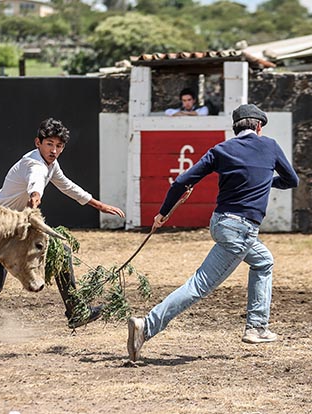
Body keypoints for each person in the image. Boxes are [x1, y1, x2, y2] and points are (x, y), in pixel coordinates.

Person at [127, 104, 299, 363]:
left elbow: (182, 181)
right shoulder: (270, 146)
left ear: (235, 128)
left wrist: (163, 213)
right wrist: (264, 181)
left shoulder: (221, 149)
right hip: (242, 229)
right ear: (259, 127)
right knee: (199, 285)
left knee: (263, 261)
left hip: (221, 223)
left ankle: (257, 326)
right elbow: (291, 180)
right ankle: (147, 326)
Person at [0, 117, 126, 335]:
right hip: (1, 229)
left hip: (6, 225)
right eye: (50, 144)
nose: (54, 150)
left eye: (59, 146)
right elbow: (35, 185)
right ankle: (76, 311)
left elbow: (67, 185)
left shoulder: (50, 164)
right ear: (38, 142)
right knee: (54, 255)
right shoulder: (34, 164)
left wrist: (99, 205)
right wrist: (34, 202)